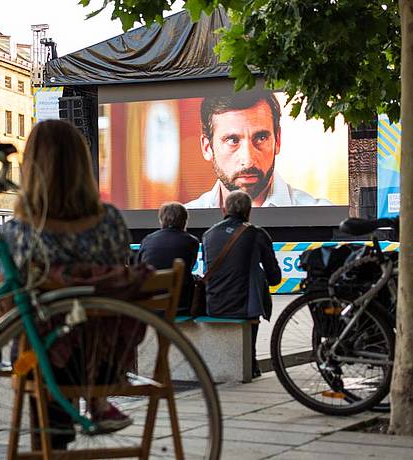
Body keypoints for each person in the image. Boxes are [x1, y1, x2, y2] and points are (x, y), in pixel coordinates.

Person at [0, 119, 134, 444]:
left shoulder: (18, 233)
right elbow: (118, 280)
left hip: (45, 364)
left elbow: (6, 310)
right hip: (104, 359)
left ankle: (52, 443)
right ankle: (96, 405)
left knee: (38, 343)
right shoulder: (111, 222)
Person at [185, 90, 332, 208]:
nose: (248, 161)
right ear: (207, 147)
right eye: (232, 140)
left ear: (278, 140)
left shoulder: (324, 214)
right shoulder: (187, 217)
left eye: (261, 138)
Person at [201, 190, 282, 378]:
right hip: (246, 308)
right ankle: (251, 362)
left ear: (224, 210)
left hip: (214, 304)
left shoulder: (208, 235)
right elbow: (274, 278)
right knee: (255, 276)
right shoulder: (257, 234)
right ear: (249, 211)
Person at [137, 202, 199, 314]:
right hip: (180, 304)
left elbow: (139, 267)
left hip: (150, 304)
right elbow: (189, 268)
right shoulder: (191, 241)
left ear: (161, 220)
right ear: (184, 221)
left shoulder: (147, 240)